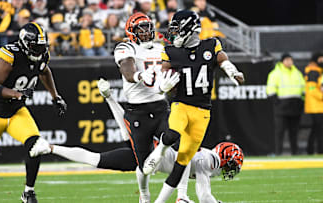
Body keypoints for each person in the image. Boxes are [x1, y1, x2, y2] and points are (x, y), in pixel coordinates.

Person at [31, 78, 244, 203]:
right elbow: (204, 194)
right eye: (231, 166)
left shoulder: (206, 156)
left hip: (151, 155)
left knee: (100, 156)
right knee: (124, 148)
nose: (229, 171)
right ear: (224, 158)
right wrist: (183, 195)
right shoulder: (210, 161)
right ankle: (146, 195)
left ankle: (50, 147)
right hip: (154, 153)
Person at [142, 10, 245, 203]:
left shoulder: (211, 45)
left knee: (181, 164)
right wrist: (162, 86)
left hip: (202, 112)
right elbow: (163, 73)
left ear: (189, 28)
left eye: (176, 29)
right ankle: (159, 151)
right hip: (181, 104)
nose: (172, 34)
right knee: (173, 133)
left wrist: (231, 70)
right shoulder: (170, 51)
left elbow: (222, 58)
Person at [0, 22, 67, 203]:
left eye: (42, 47)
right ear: (26, 43)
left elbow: (44, 72)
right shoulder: (11, 54)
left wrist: (55, 97)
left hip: (16, 111)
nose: (40, 51)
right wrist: (15, 93)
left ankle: (28, 192)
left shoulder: (41, 56)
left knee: (36, 147)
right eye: (36, 47)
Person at [112, 12, 180, 203]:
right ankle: (144, 195)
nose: (145, 33)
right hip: (137, 111)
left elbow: (172, 73)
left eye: (147, 28)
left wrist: (168, 86)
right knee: (143, 165)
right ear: (131, 32)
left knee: (179, 144)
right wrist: (140, 76)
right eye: (140, 30)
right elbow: (127, 70)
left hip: (160, 106)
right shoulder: (125, 47)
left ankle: (182, 196)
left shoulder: (161, 48)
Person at [266, 53, 305, 155]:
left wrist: (301, 102)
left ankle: (295, 152)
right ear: (282, 61)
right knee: (280, 132)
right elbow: (270, 90)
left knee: (294, 132)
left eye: (290, 60)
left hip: (295, 106)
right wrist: (277, 103)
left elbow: (303, 89)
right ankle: (278, 152)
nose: (289, 62)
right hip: (282, 107)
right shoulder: (275, 74)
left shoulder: (297, 73)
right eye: (287, 60)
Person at [304, 52, 323, 154]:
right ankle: (318, 150)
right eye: (320, 59)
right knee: (318, 130)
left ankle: (310, 150)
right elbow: (312, 90)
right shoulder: (312, 72)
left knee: (316, 129)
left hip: (319, 106)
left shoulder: (319, 72)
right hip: (315, 106)